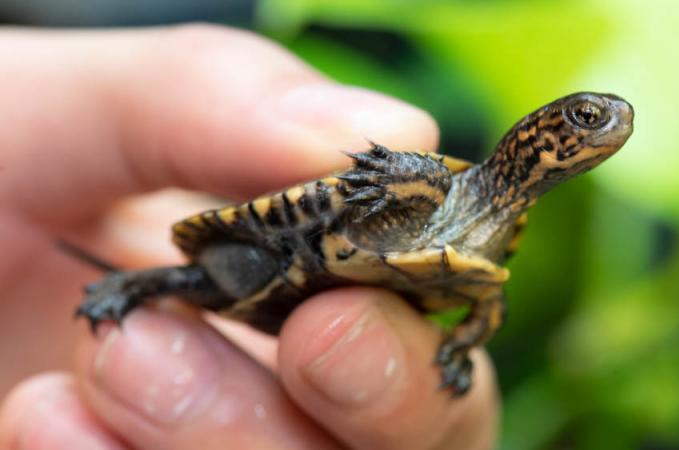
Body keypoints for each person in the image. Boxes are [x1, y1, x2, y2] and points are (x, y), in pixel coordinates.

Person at [0, 24, 498, 449]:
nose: (582, 137)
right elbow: (404, 174)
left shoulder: (487, 238)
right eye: (579, 120)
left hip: (341, 311)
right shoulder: (434, 189)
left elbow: (484, 305)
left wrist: (455, 353)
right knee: (224, 276)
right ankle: (127, 287)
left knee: (353, 361)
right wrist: (409, 174)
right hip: (284, 247)